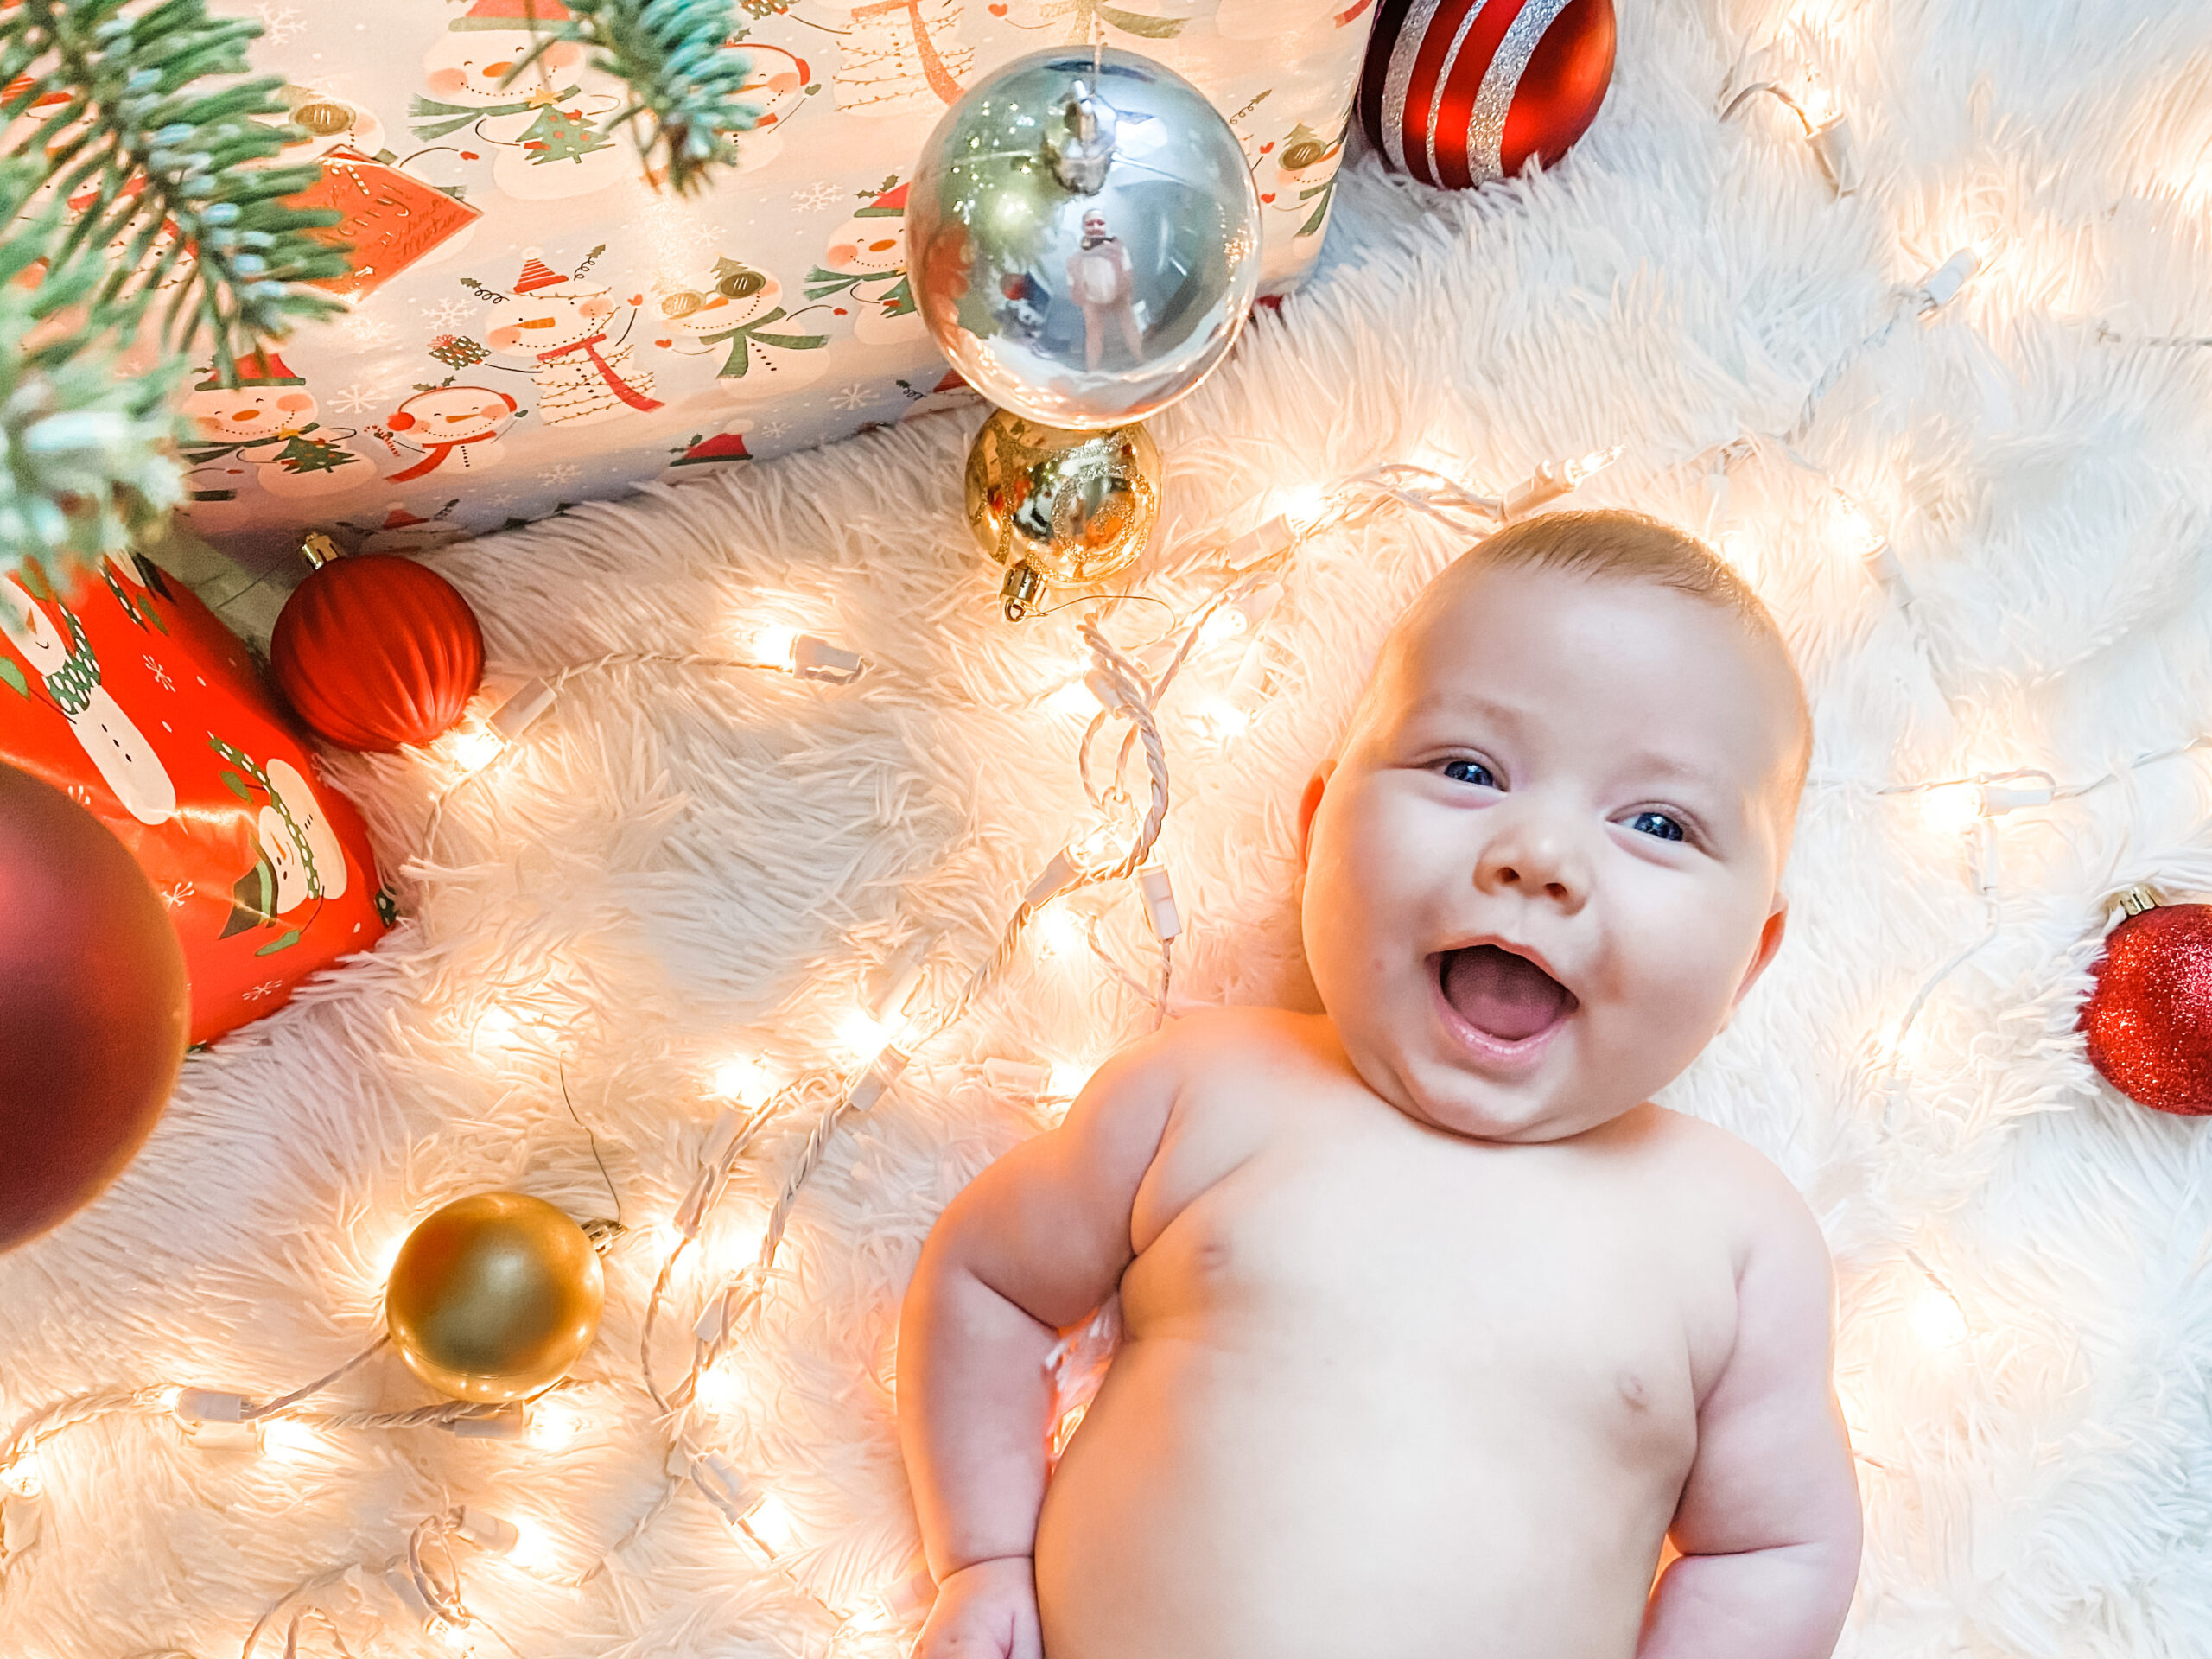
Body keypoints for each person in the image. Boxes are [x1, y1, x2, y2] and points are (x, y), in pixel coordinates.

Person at [897, 509, 1862, 1659]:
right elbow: (989, 1284)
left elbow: (1774, 1551)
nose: (1539, 858)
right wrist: (985, 1560)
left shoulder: (1733, 1234)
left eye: (1657, 823)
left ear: (1750, 956)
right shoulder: (1211, 1091)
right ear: (1319, 829)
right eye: (1468, 768)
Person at [1065, 207, 1143, 372]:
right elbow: (1076, 298)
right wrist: (1079, 277)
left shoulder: (1117, 249)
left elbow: (1128, 276)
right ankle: (1092, 370)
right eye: (1090, 224)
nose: (1095, 227)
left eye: (1100, 223)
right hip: (1091, 300)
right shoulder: (1075, 260)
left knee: (1129, 325)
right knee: (1093, 333)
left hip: (1118, 295)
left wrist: (1124, 298)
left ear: (1106, 226)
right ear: (1083, 228)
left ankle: (1141, 358)